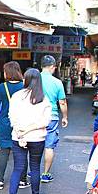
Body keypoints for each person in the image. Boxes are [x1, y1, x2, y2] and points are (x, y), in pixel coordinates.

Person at [5, 68, 51, 194]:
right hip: (37, 138)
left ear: (25, 80)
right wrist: (29, 130)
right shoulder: (43, 98)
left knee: (18, 168)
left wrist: (20, 132)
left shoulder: (17, 96)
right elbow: (45, 121)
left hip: (18, 137)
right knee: (35, 167)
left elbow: (11, 116)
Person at [0, 61, 26, 190]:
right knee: (21, 151)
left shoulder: (1, 87)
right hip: (21, 123)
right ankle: (22, 180)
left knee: (4, 151)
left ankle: (0, 180)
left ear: (8, 73)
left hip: (5, 122)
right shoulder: (24, 86)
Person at [39, 55, 68, 183]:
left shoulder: (34, 80)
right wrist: (65, 117)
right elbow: (62, 102)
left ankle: (33, 171)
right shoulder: (57, 82)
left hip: (35, 116)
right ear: (52, 67)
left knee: (34, 144)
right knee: (49, 146)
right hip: (52, 116)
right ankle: (45, 174)